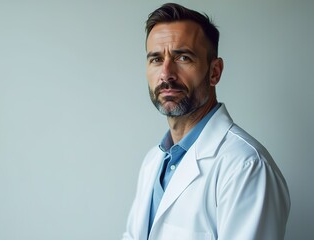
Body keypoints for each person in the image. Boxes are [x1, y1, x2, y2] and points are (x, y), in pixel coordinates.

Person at [122, 3, 290, 240]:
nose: (166, 73)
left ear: (215, 72)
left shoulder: (246, 166)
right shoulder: (153, 161)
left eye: (183, 57)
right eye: (156, 59)